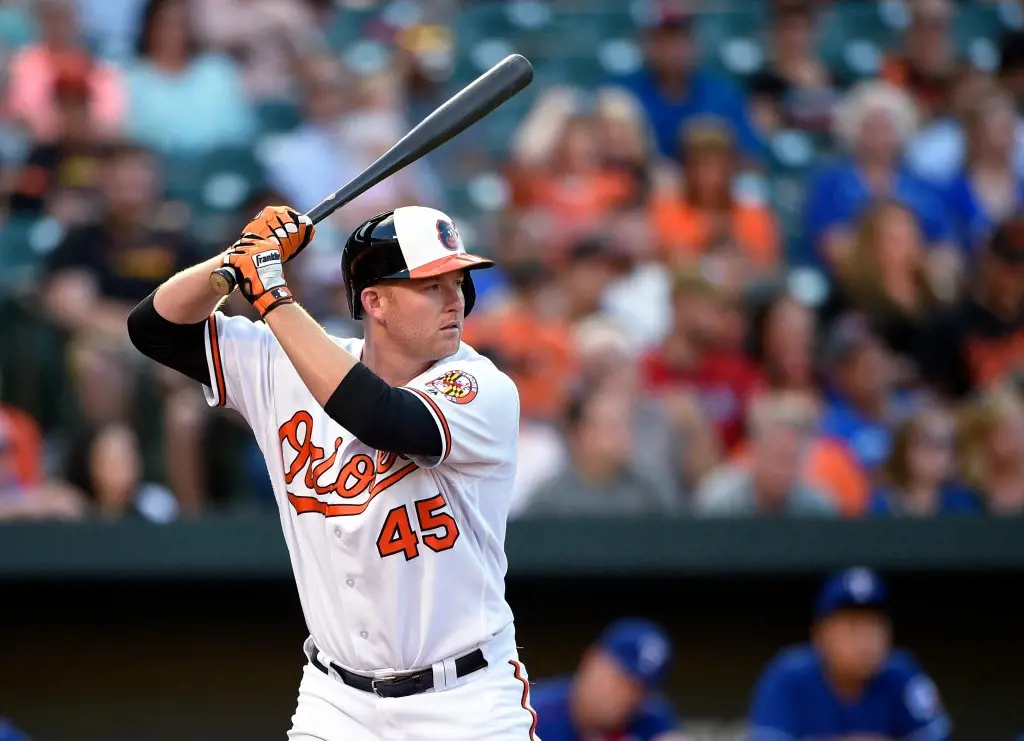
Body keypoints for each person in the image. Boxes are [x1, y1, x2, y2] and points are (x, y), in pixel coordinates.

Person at [127, 204, 538, 739]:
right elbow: (154, 328)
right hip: (337, 702)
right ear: (374, 301)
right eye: (431, 285)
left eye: (458, 281)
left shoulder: (481, 387)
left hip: (464, 700)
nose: (456, 300)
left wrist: (272, 294)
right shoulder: (286, 364)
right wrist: (233, 262)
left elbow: (381, 416)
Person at [749, 566, 951, 741]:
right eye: (853, 627)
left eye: (874, 627)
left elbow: (936, 735)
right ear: (820, 635)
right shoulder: (788, 676)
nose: (866, 640)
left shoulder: (902, 675)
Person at [530, 618, 688, 741]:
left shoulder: (651, 720)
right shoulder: (531, 713)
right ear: (590, 661)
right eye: (619, 680)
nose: (625, 697)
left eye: (638, 689)